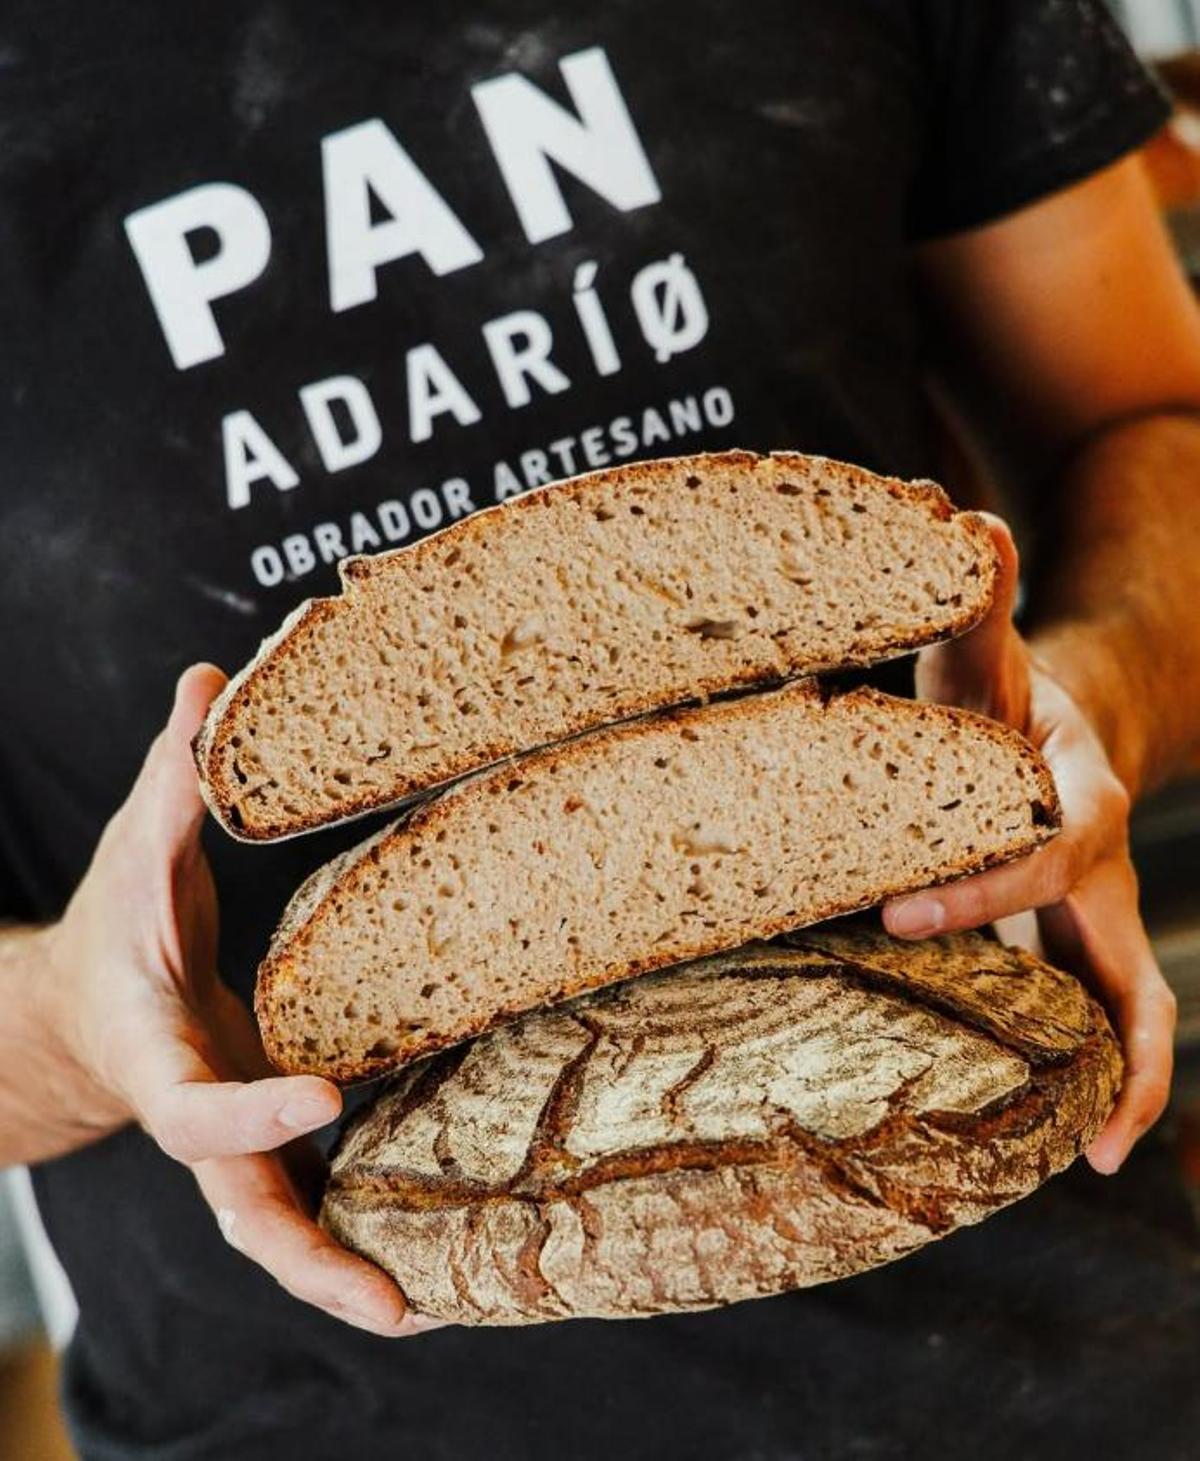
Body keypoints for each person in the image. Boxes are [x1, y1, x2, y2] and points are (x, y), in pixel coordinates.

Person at [2, 2, 1199, 1456]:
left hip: (1044, 1328)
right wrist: (79, 1016)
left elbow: (1148, 416)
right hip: (313, 1406)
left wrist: (1097, 702)